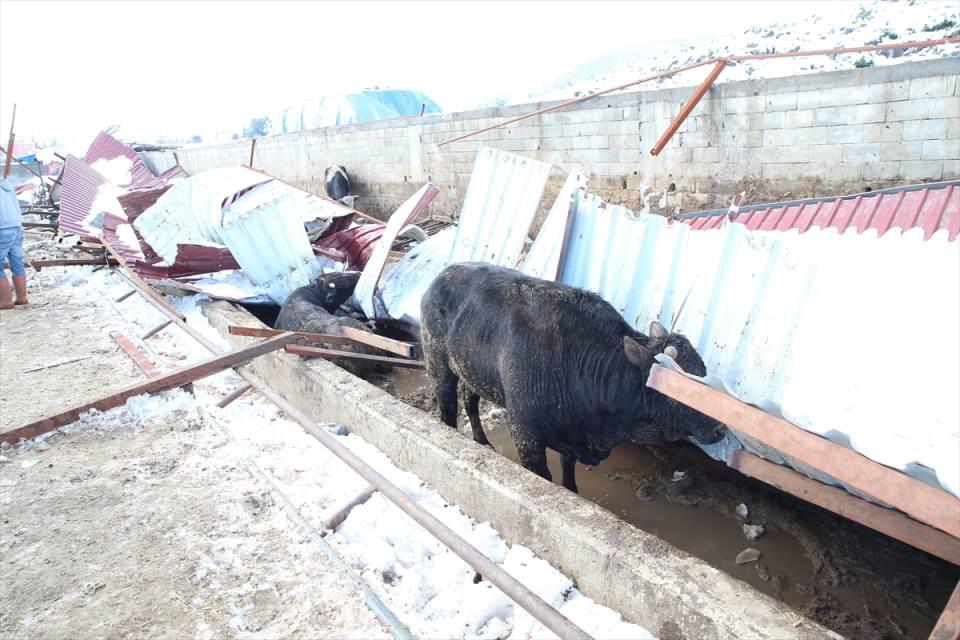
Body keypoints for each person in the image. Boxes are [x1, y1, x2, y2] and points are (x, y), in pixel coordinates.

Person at [0, 178, 28, 309]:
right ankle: (22, 298)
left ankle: (5, 302)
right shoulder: (6, 184)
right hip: (17, 227)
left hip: (2, 228)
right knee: (17, 263)